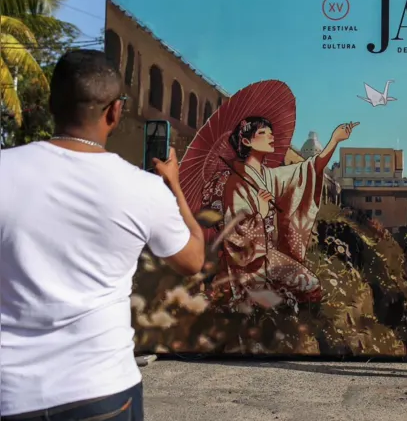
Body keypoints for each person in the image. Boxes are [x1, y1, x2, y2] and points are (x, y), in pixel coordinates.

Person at [0, 49, 206, 420]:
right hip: (101, 388)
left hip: (11, 393)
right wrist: (174, 187)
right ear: (115, 111)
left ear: (50, 104)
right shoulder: (143, 189)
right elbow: (192, 260)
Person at [200, 113, 358, 310]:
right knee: (307, 285)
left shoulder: (268, 175)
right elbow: (236, 232)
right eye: (264, 133)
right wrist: (262, 212)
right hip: (246, 261)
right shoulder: (236, 181)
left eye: (271, 132)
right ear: (247, 141)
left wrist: (334, 140)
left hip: (266, 253)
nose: (271, 136)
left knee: (311, 285)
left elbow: (309, 169)